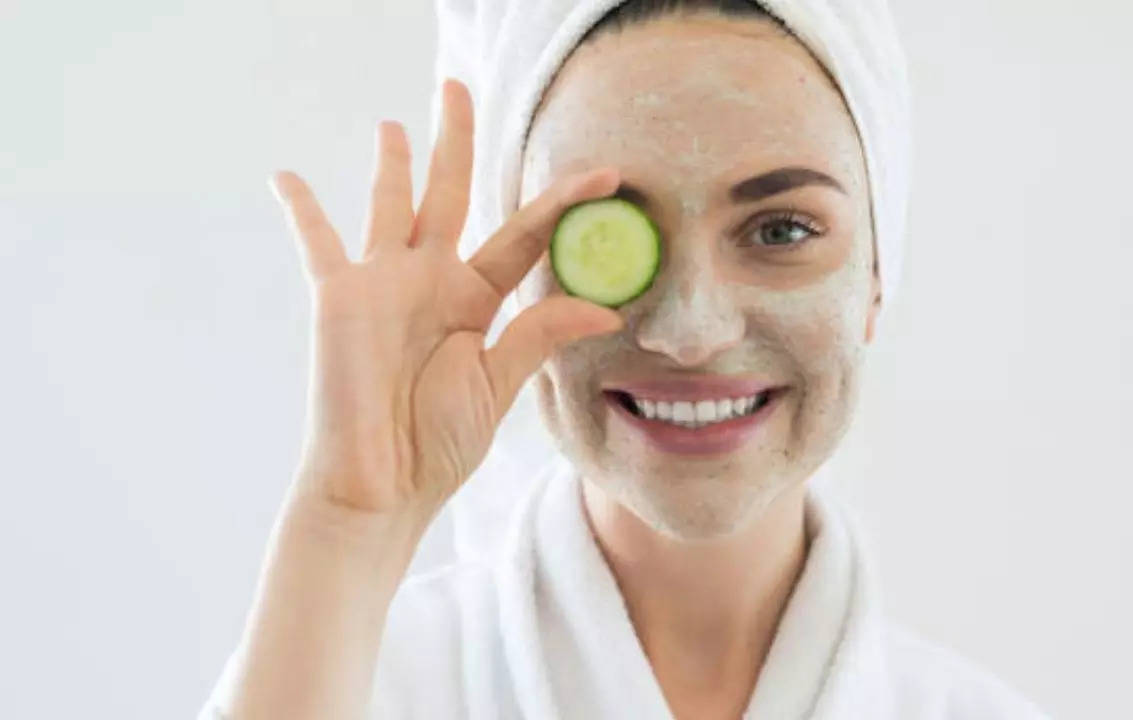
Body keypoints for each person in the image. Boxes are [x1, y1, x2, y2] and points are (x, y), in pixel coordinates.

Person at [200, 1, 1052, 717]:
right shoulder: (354, 688)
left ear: (876, 274)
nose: (688, 328)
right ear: (516, 275)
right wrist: (347, 525)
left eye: (781, 230)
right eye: (603, 234)